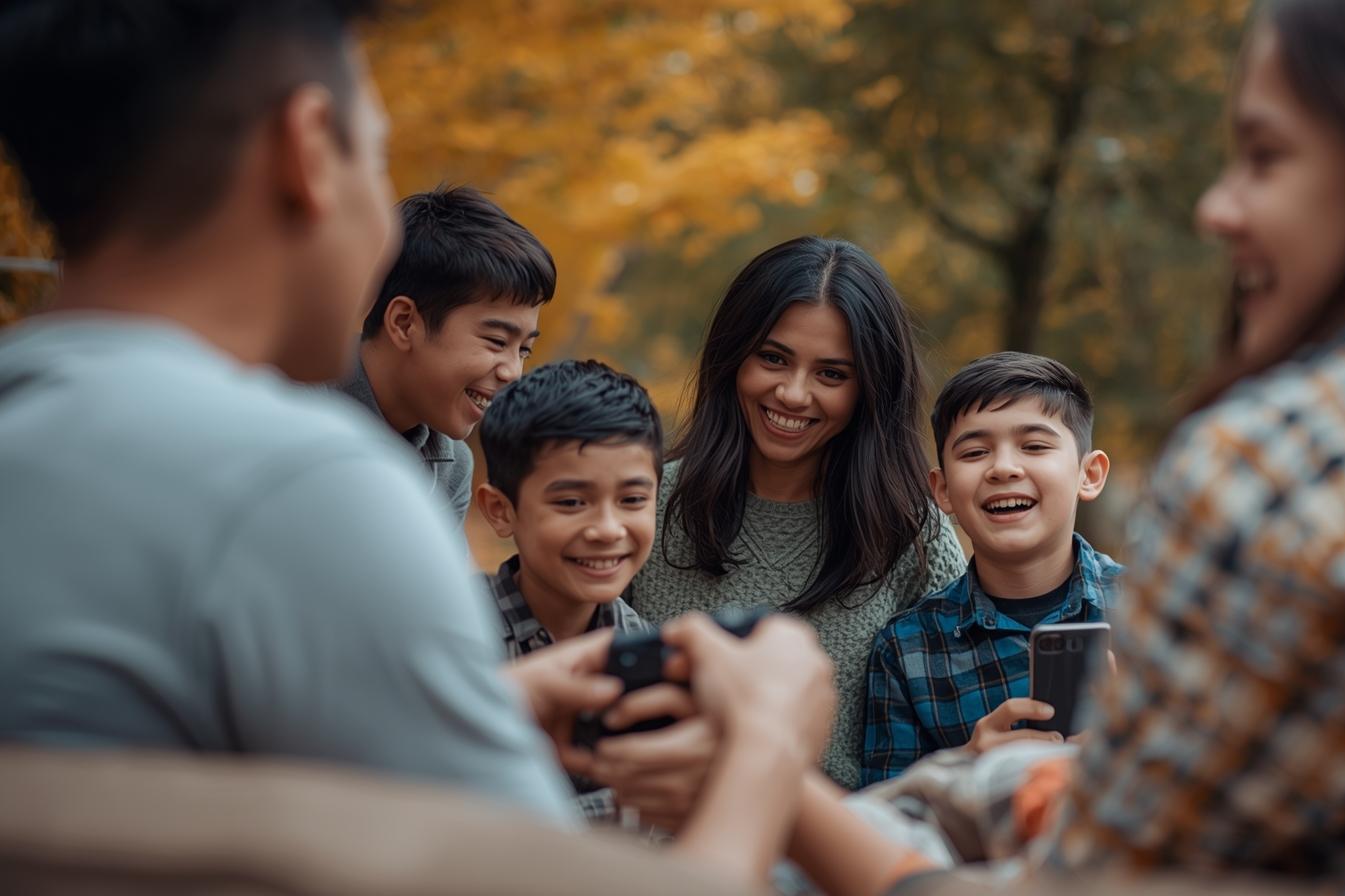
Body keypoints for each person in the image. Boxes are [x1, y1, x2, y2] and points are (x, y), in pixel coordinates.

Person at [0, 3, 846, 889]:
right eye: (377, 149)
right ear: (310, 146)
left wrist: (499, 706)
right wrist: (771, 737)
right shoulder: (303, 481)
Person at [785, 0, 1345, 890]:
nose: (1217, 208)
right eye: (977, 452)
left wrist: (765, 772)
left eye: (1265, 155)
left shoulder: (1290, 465)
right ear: (942, 485)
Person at [626, 235, 967, 789]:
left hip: (833, 855)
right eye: (773, 358)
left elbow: (944, 727)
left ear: (869, 390)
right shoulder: (645, 505)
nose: (792, 393)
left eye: (831, 374)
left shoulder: (913, 533)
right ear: (733, 355)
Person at [861, 352, 1120, 785]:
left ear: (1088, 474)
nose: (1003, 468)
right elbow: (885, 824)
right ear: (942, 491)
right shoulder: (907, 652)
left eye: (1034, 446)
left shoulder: (1156, 613)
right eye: (976, 452)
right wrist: (964, 766)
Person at [476, 358, 711, 829]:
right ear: (501, 511)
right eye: (571, 502)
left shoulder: (651, 659)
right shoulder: (455, 635)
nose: (607, 529)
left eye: (632, 500)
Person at [337, 185, 554, 524]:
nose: (513, 372)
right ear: (405, 323)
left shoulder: (451, 467)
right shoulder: (285, 403)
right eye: (497, 341)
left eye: (524, 350)